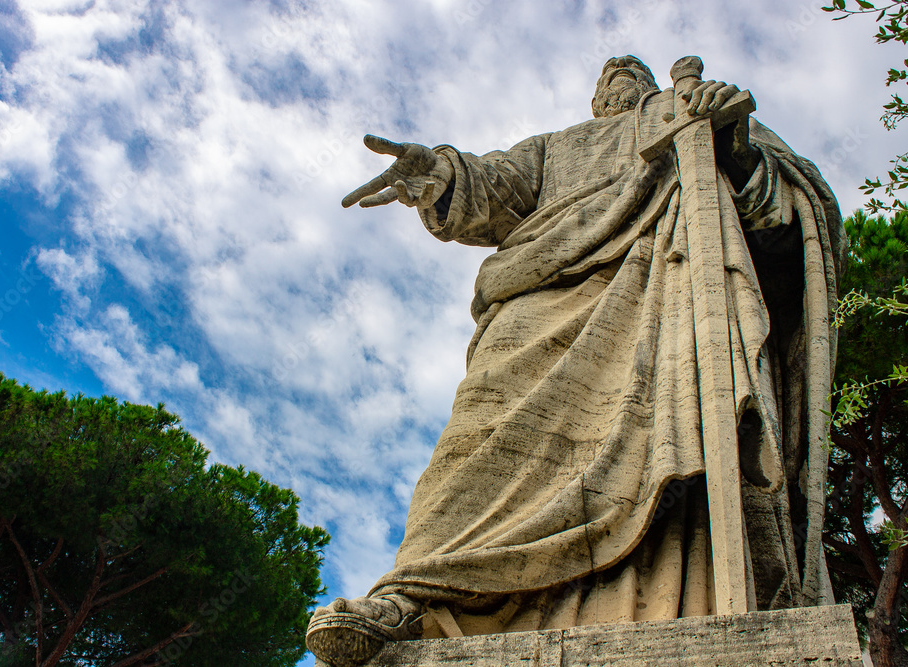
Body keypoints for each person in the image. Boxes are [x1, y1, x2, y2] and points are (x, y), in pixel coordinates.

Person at [306, 55, 846, 666]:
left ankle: (688, 601)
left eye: (630, 70)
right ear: (594, 101)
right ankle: (416, 598)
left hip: (668, 285)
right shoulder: (560, 148)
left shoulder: (702, 112)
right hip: (541, 293)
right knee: (476, 441)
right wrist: (437, 172)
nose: (618, 76)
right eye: (607, 75)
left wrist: (738, 150)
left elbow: (802, 224)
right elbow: (495, 187)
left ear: (649, 85)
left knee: (676, 448)